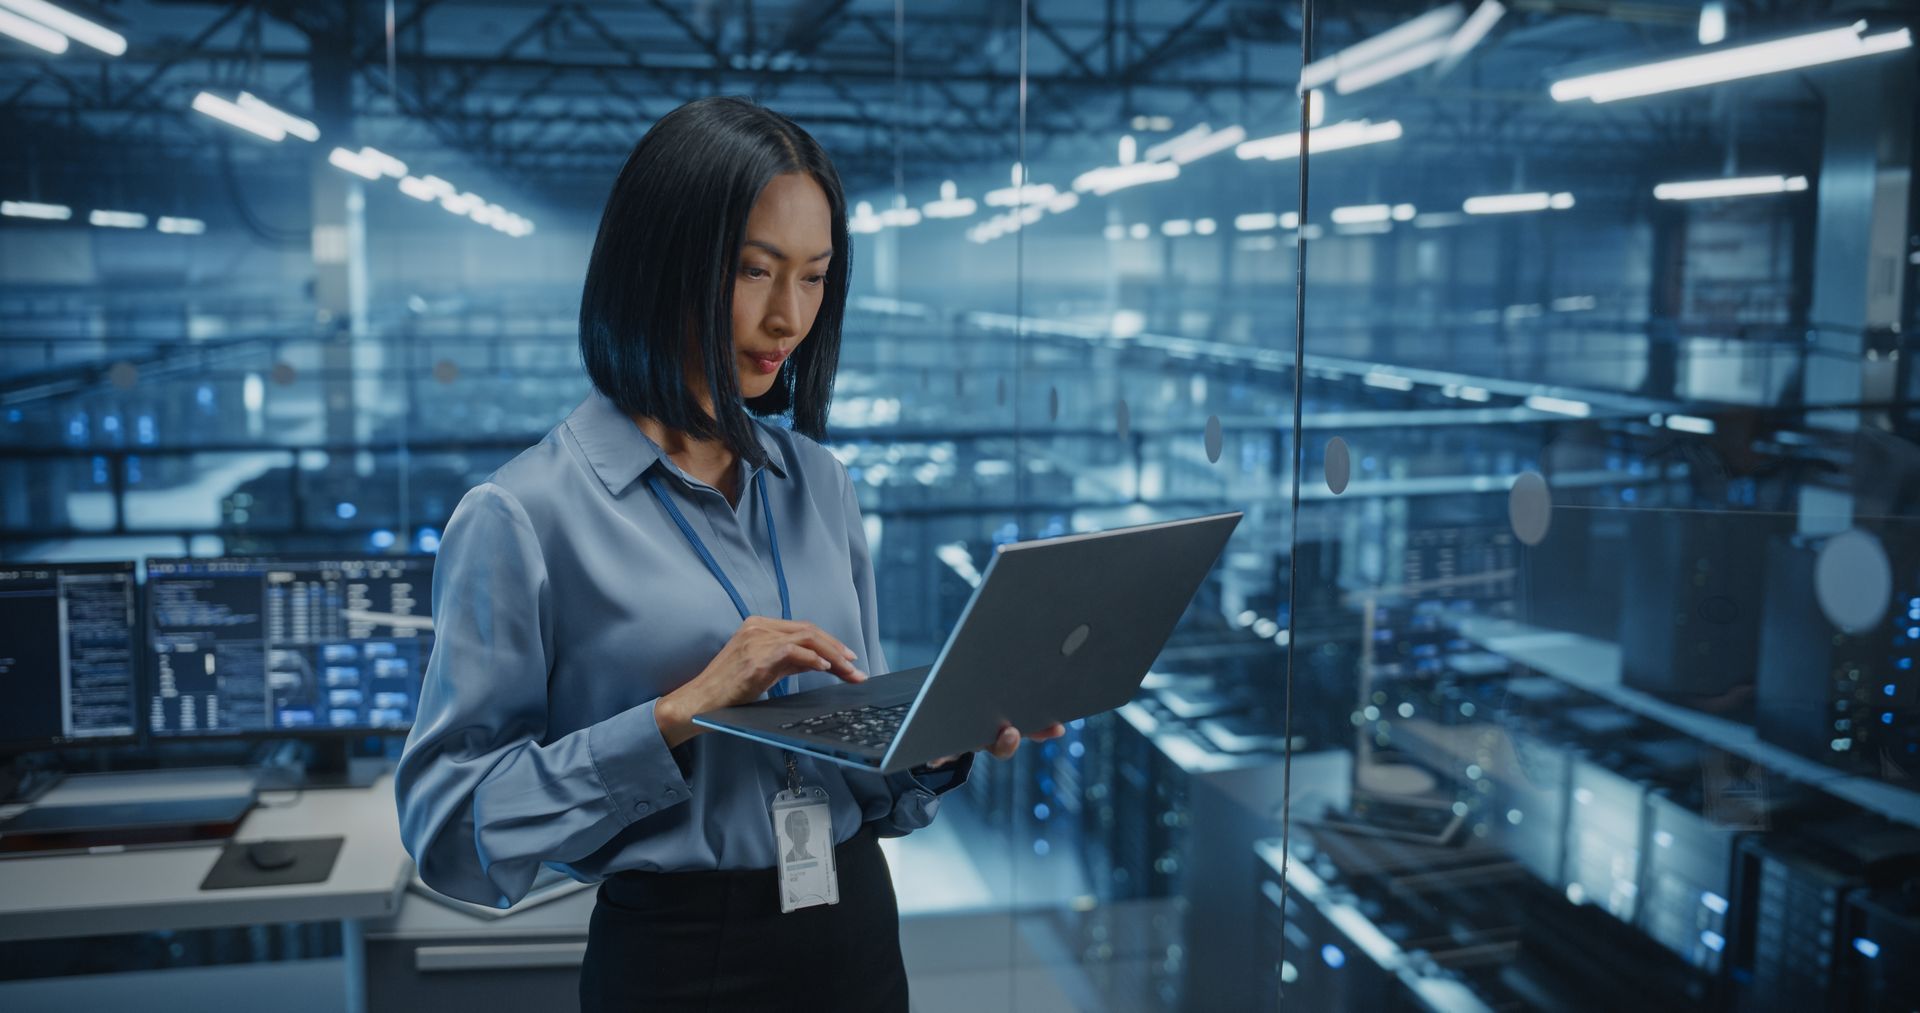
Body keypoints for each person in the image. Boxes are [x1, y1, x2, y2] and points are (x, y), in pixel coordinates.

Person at [393, 95, 1063, 1013]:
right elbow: (448, 827)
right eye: (755, 271)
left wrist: (940, 739)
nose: (790, 317)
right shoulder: (522, 514)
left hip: (856, 929)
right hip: (681, 959)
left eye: (816, 276)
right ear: (661, 264)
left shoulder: (820, 482)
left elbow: (863, 784)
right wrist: (676, 714)